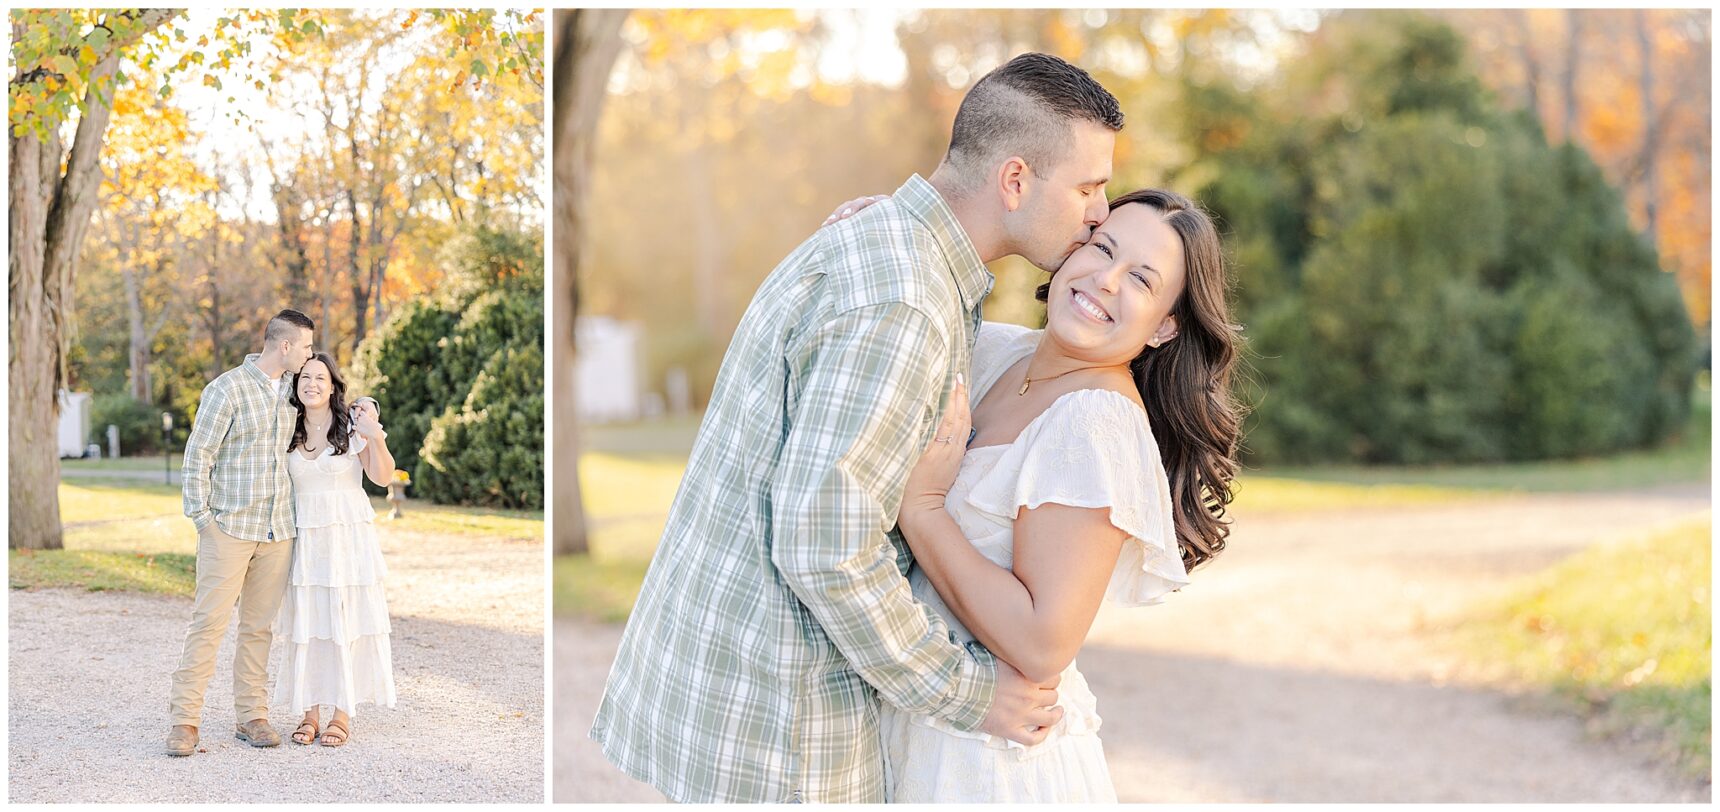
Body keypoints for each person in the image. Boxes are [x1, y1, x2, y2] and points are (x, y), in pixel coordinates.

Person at [588, 52, 1123, 803]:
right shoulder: (903, 299)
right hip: (781, 724)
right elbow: (823, 544)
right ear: (1014, 180)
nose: (1100, 210)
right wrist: (969, 694)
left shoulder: (893, 253)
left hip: (744, 701)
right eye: (1088, 188)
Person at [836, 188, 1244, 800]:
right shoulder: (1001, 354)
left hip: (988, 766)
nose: (1105, 280)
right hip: (923, 723)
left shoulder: (1094, 422)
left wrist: (922, 511)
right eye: (1101, 248)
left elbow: (1042, 642)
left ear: (1165, 325)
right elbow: (917, 298)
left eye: (1140, 279)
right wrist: (889, 228)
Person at [168, 309, 316, 756]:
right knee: (208, 625)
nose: (311, 356)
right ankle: (184, 722)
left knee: (258, 629)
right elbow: (198, 457)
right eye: (307, 346)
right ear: (285, 345)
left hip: (277, 531)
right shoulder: (226, 389)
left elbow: (331, 408)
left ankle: (252, 716)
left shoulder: (295, 392)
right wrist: (204, 522)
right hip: (229, 529)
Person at [271, 353, 398, 747]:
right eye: (304, 377)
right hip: (304, 536)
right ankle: (309, 711)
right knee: (307, 621)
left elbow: (381, 476)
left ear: (332, 386)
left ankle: (342, 712)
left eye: (320, 377)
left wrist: (374, 433)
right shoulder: (286, 428)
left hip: (347, 537)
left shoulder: (350, 426)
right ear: (296, 385)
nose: (311, 383)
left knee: (346, 619)